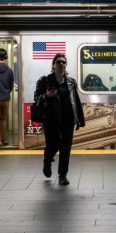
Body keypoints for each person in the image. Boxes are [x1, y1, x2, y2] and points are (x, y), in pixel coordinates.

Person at [34, 53, 85, 185]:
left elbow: (76, 101)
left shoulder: (71, 82)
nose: (61, 64)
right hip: (51, 120)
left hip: (67, 120)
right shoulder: (45, 81)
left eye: (63, 62)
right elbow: (36, 99)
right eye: (58, 62)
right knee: (52, 145)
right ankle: (47, 160)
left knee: (65, 148)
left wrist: (79, 119)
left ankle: (63, 175)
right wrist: (46, 95)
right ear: (53, 65)